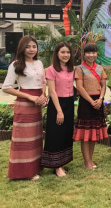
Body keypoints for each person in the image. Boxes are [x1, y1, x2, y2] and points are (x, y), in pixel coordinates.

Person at [2, 35, 46, 180]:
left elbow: (43, 82)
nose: (31, 49)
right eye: (28, 46)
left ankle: (34, 168)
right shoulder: (16, 64)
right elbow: (6, 88)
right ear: (22, 48)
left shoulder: (39, 63)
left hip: (37, 104)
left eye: (34, 46)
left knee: (35, 137)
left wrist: (43, 96)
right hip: (24, 103)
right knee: (23, 139)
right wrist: (30, 97)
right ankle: (23, 172)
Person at [41, 42, 75, 177]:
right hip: (57, 105)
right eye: (63, 52)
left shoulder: (72, 68)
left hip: (69, 103)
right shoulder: (51, 69)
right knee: (56, 134)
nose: (66, 55)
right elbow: (52, 92)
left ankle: (63, 161)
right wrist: (59, 111)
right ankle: (56, 165)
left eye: (68, 52)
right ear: (57, 54)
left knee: (66, 133)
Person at [73, 43, 108, 170]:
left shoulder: (100, 68)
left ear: (96, 53)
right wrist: (90, 101)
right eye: (88, 53)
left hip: (98, 101)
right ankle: (86, 161)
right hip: (86, 103)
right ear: (84, 54)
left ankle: (90, 159)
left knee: (94, 132)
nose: (91, 55)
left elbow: (103, 85)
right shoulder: (79, 68)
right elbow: (80, 87)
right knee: (85, 134)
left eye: (93, 52)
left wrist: (101, 99)